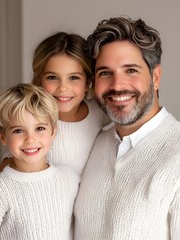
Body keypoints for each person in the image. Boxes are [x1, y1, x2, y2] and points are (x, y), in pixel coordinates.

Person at [74, 17, 180, 239]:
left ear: (155, 76)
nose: (117, 85)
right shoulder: (95, 142)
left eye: (130, 70)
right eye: (105, 73)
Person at [0, 32, 111, 182]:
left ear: (87, 82)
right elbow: (13, 158)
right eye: (52, 77)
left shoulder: (97, 111)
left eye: (74, 78)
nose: (63, 88)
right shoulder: (34, 120)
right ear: (39, 80)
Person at [0, 83, 79, 239]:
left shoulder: (69, 178)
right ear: (2, 136)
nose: (30, 139)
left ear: (53, 131)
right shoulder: (0, 188)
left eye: (40, 128)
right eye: (18, 130)